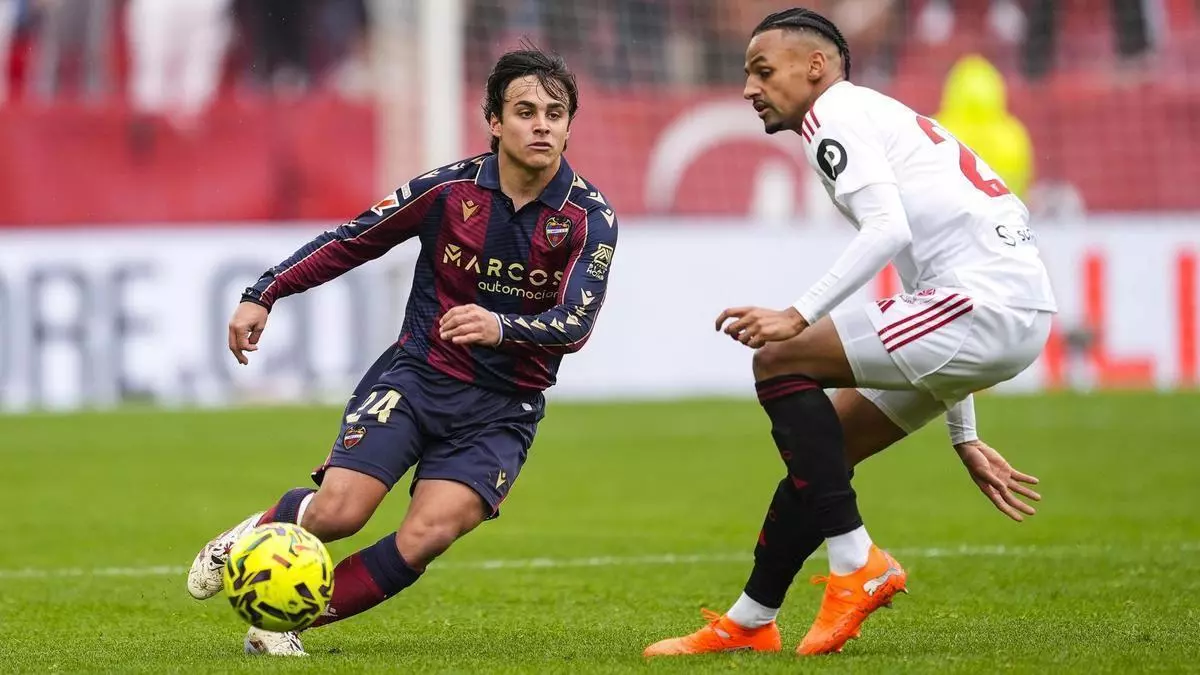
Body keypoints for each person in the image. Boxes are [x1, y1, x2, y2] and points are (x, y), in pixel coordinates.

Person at [644, 7, 1056, 658]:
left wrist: (797, 315)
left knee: (778, 359)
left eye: (763, 71)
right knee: (822, 454)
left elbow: (888, 231)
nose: (749, 88)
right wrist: (963, 431)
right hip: (998, 306)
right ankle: (751, 620)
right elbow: (923, 270)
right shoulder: (872, 115)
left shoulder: (831, 116)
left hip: (986, 303)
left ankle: (856, 560)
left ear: (816, 66)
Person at [185, 47, 619, 657]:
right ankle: (249, 535)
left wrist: (500, 326)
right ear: (495, 121)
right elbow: (353, 240)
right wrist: (265, 292)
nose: (542, 125)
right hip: (418, 378)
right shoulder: (446, 190)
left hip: (503, 407)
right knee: (339, 513)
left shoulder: (589, 218)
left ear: (570, 126)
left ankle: (282, 623)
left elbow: (575, 324)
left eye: (555, 114)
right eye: (525, 112)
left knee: (428, 534)